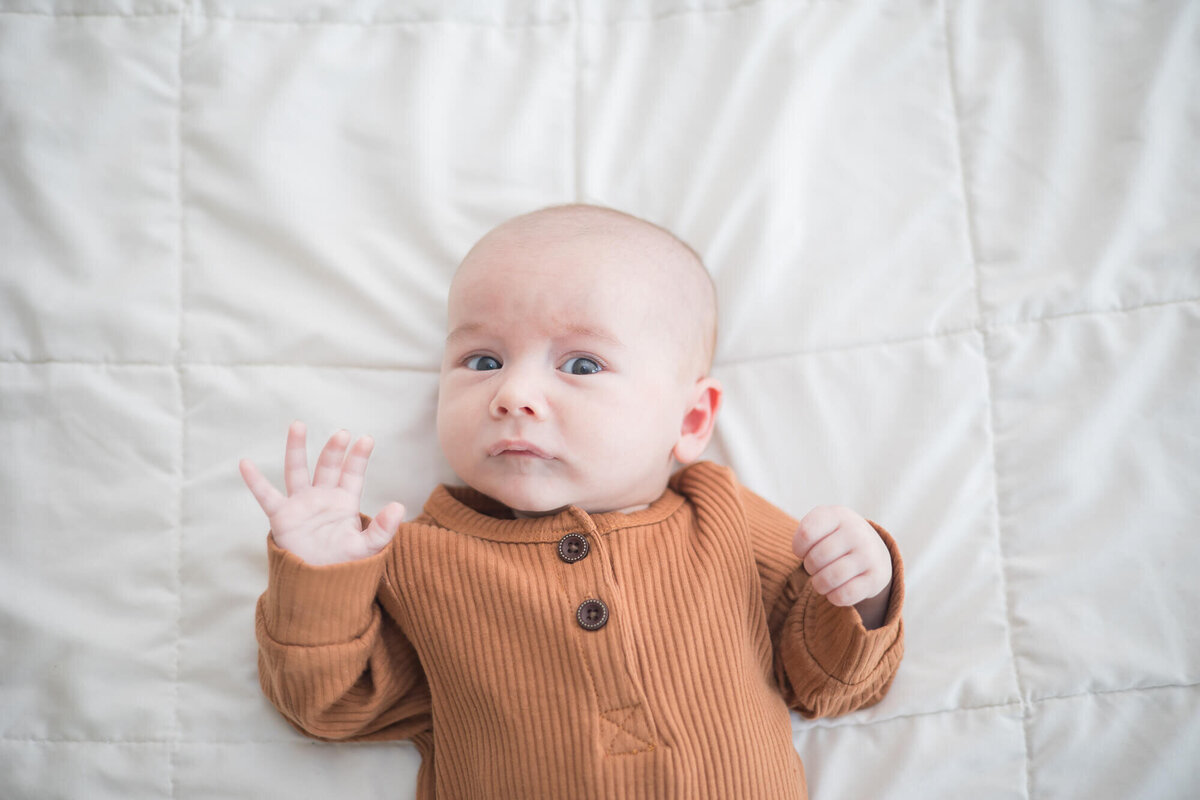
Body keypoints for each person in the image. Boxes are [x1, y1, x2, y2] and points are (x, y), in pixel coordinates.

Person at [239, 204, 905, 799]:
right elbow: (332, 708)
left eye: (581, 365)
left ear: (691, 421)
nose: (513, 393)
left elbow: (828, 685)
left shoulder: (723, 517)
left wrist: (861, 592)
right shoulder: (416, 558)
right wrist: (320, 583)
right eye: (482, 360)